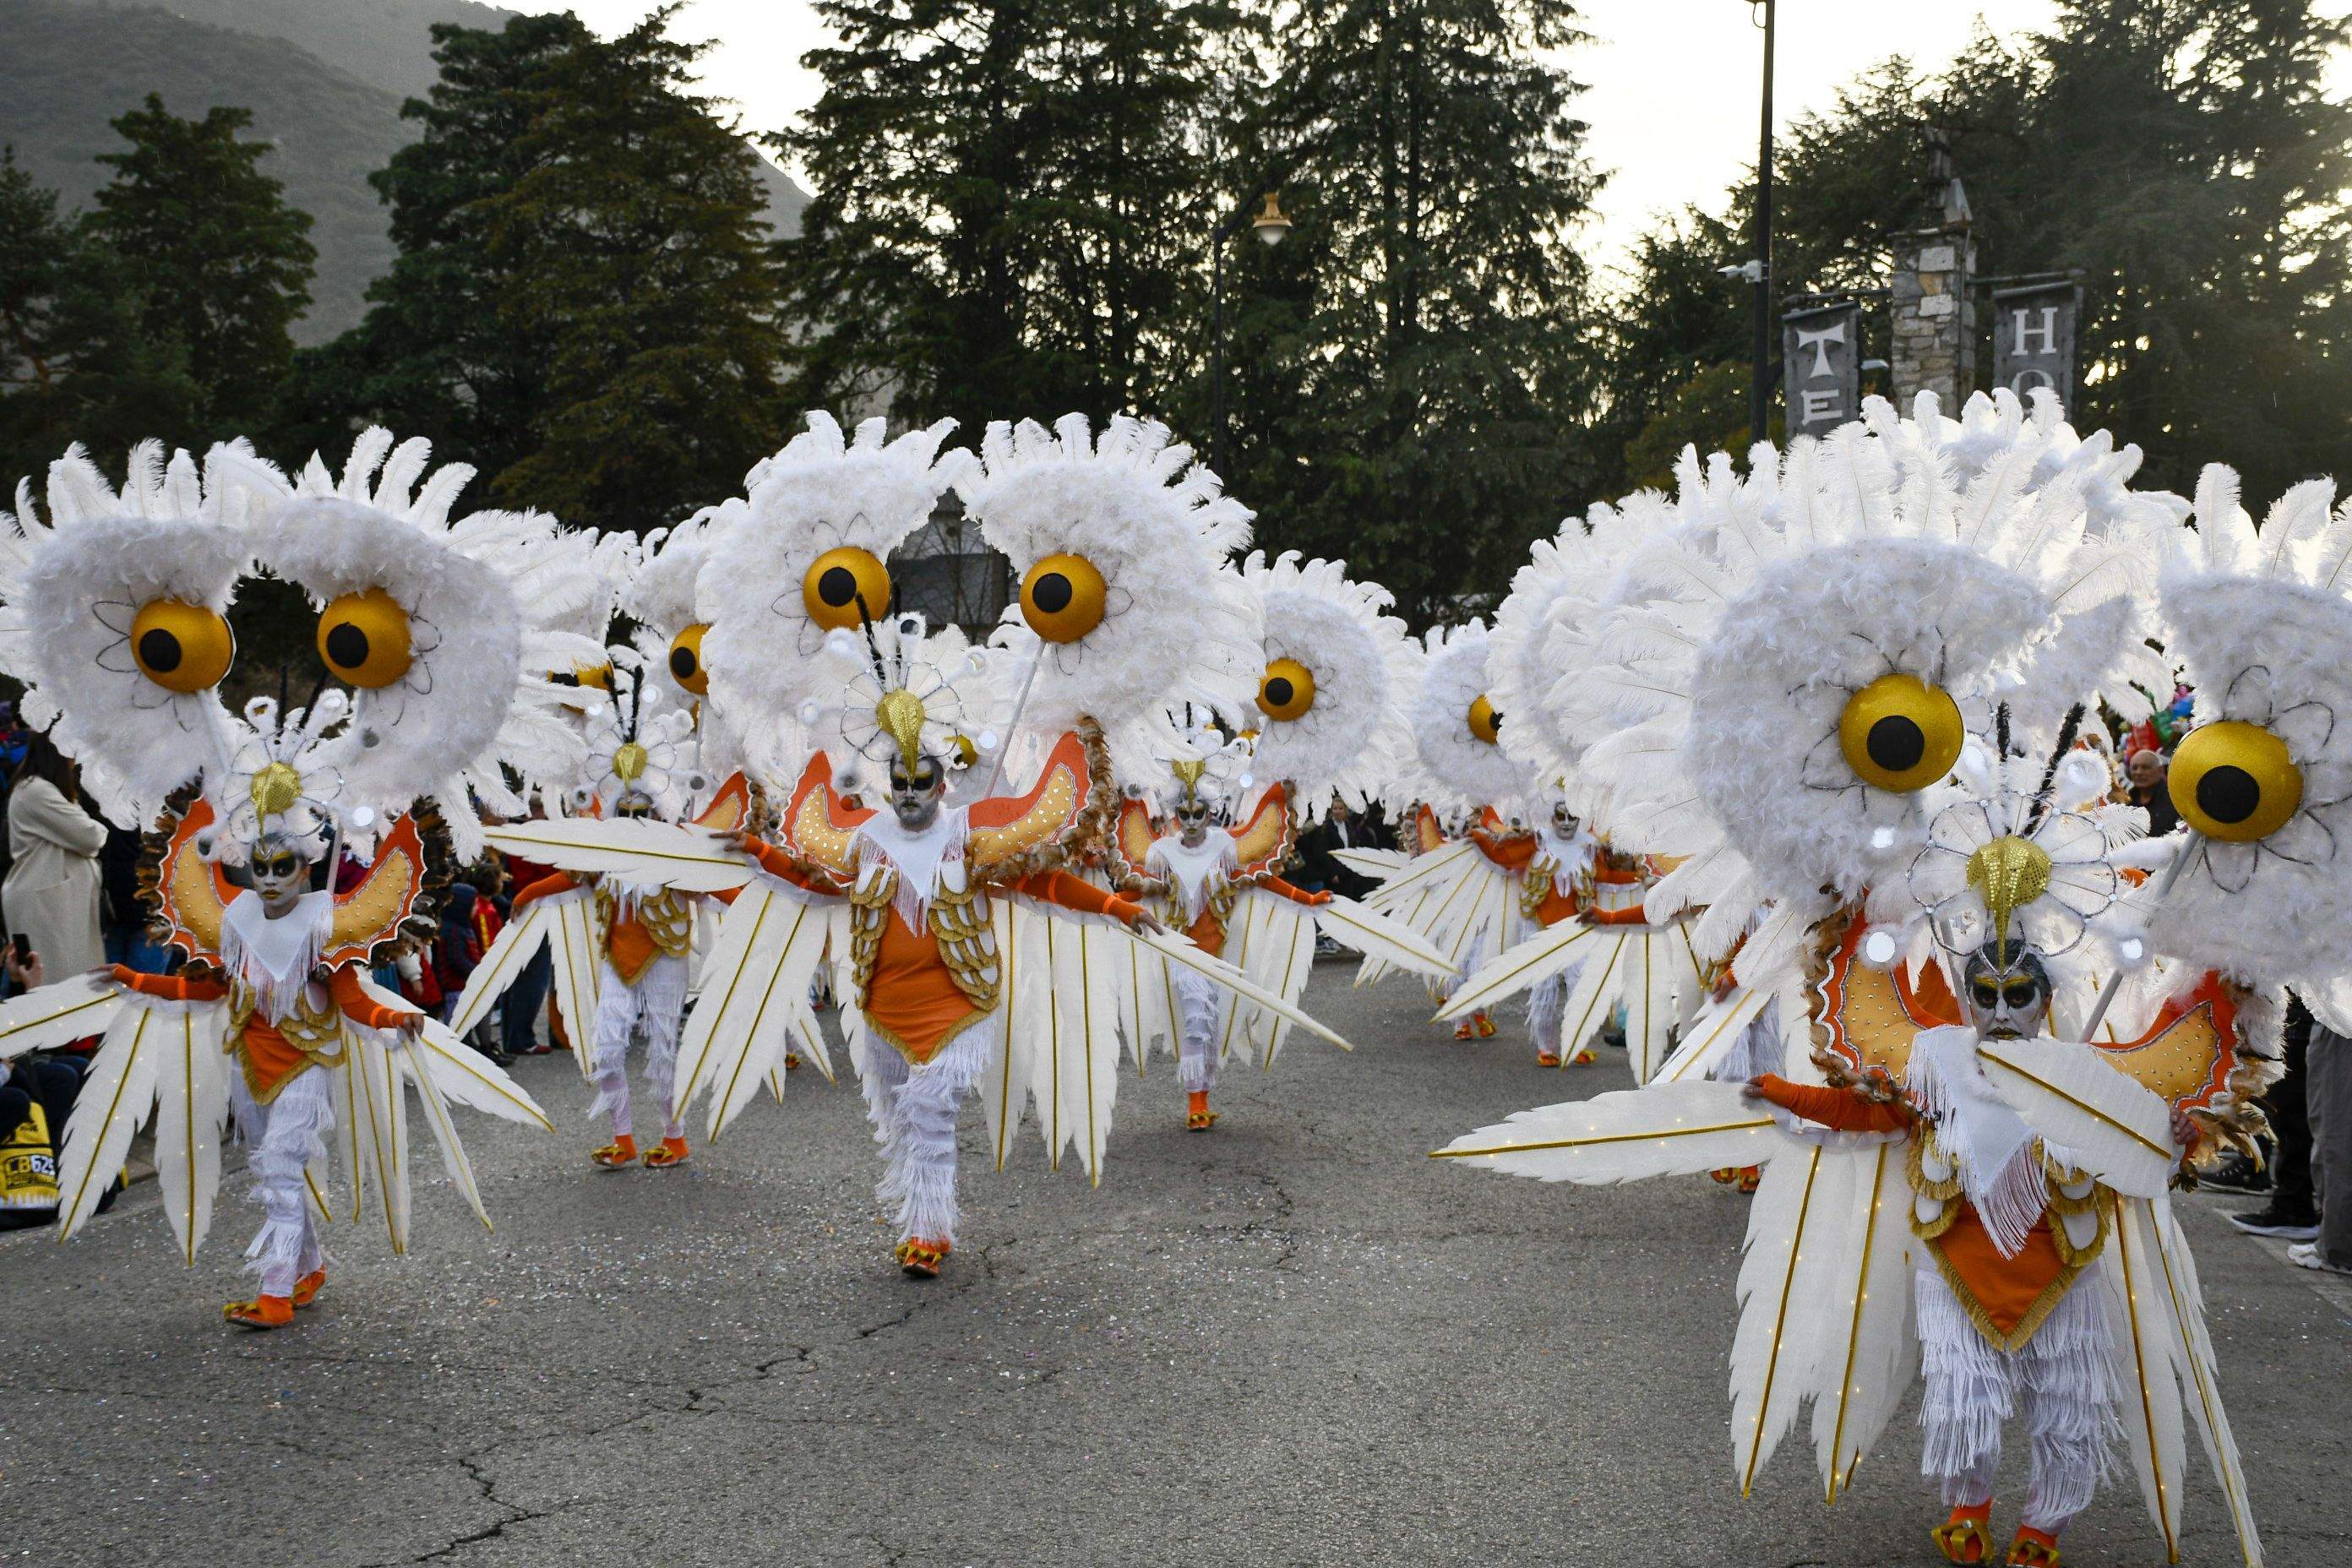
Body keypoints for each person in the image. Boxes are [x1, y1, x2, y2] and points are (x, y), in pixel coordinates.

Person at [3, 730, 106, 983]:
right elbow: (91, 836)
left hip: (54, 903)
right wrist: (97, 827)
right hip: (48, 906)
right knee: (56, 992)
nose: (76, 762)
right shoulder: (36, 791)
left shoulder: (39, 788)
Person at [2126, 747, 2180, 836]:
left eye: (2146, 767)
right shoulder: (2127, 802)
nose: (2139, 772)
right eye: (2134, 768)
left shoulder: (2175, 800)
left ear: (2160, 770)